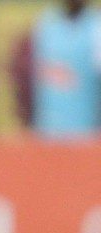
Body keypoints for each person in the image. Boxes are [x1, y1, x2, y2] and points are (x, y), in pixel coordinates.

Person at [15, 0, 101, 138]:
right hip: (47, 130)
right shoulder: (46, 22)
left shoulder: (96, 27)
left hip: (85, 133)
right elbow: (30, 74)